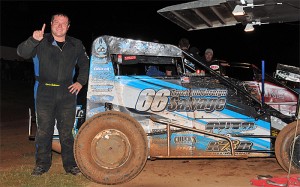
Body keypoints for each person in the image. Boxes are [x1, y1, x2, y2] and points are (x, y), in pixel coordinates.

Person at [17, 13, 89, 176]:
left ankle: (70, 165)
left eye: (64, 23)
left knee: (67, 131)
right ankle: (42, 164)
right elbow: (22, 52)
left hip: (67, 92)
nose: (60, 26)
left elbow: (85, 63)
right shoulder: (41, 40)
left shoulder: (76, 44)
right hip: (44, 91)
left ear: (68, 27)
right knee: (44, 130)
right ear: (51, 24)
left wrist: (81, 82)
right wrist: (33, 40)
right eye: (56, 22)